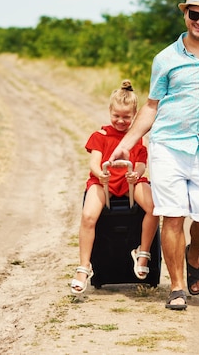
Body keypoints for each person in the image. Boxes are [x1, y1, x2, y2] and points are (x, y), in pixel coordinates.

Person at [108, 0, 199, 310]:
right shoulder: (165, 59)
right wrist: (127, 143)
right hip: (167, 145)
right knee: (173, 217)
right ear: (185, 13)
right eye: (195, 14)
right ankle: (177, 287)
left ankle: (194, 255)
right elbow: (151, 106)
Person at [70, 80, 157, 295]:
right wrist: (101, 174)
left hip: (129, 181)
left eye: (126, 117)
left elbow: (141, 165)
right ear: (110, 111)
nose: (120, 121)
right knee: (88, 216)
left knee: (154, 207)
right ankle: (84, 267)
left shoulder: (137, 138)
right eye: (116, 116)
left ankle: (143, 251)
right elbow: (94, 163)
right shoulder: (101, 136)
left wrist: (135, 174)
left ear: (135, 115)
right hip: (104, 181)